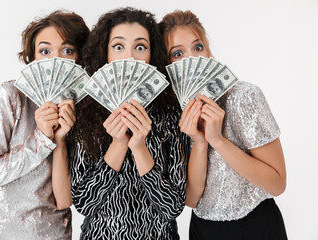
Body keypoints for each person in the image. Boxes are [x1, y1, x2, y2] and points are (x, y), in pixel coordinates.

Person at [159, 10, 288, 240]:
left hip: (256, 225)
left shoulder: (243, 96)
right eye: (177, 53)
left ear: (207, 49)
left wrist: (218, 141)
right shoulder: (173, 114)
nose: (193, 59)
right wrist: (199, 142)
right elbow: (191, 199)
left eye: (198, 47)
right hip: (203, 229)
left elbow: (277, 184)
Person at [68, 7, 190, 240]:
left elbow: (173, 207)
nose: (129, 57)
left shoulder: (171, 112)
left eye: (140, 47)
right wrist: (118, 143)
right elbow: (84, 203)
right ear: (105, 52)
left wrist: (139, 146)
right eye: (118, 46)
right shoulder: (85, 113)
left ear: (152, 55)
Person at [0, 10, 89, 239]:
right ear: (32, 59)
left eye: (67, 50)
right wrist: (41, 139)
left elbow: (69, 198)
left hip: (53, 231)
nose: (55, 60)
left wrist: (61, 140)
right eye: (45, 51)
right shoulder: (13, 96)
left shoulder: (84, 110)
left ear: (80, 58)